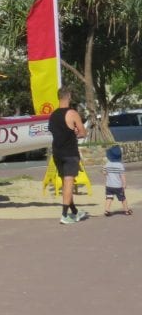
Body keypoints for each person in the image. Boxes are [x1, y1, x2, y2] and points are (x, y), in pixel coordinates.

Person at [48, 86, 88, 224]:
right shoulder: (72, 113)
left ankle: (75, 212)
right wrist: (76, 132)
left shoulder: (53, 115)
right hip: (70, 152)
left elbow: (55, 132)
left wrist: (70, 131)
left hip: (57, 153)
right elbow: (83, 132)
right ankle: (64, 215)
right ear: (69, 97)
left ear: (58, 97)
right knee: (69, 184)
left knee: (66, 185)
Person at [102, 145, 132, 216]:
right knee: (123, 198)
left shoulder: (107, 164)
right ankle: (126, 210)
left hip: (109, 185)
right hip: (118, 186)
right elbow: (122, 176)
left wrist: (105, 172)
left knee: (109, 198)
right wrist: (124, 184)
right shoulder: (120, 165)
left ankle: (107, 210)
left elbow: (104, 173)